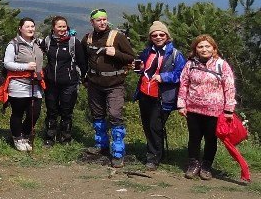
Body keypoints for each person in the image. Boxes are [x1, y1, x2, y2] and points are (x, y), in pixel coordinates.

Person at [82, 9, 137, 168]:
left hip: (115, 84)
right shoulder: (88, 38)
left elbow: (131, 58)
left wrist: (116, 53)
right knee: (97, 115)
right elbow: (83, 59)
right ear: (92, 22)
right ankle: (101, 145)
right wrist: (84, 78)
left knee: (115, 115)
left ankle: (118, 151)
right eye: (98, 20)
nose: (102, 22)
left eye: (105, 19)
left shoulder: (117, 37)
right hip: (94, 83)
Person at [177, 35, 236, 180]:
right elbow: (184, 84)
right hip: (193, 109)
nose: (204, 49)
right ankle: (193, 165)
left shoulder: (221, 65)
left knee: (211, 139)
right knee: (194, 138)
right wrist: (181, 104)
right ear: (195, 49)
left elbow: (229, 87)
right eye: (200, 46)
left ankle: (206, 166)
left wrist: (229, 109)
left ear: (214, 48)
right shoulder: (190, 64)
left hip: (214, 111)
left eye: (207, 46)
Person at [135, 21, 186, 170]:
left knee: (155, 126)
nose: (158, 37)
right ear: (150, 37)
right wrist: (138, 68)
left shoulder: (175, 54)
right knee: (147, 125)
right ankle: (156, 153)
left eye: (161, 34)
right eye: (154, 35)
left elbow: (181, 74)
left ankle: (153, 158)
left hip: (162, 96)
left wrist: (163, 77)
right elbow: (141, 70)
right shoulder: (146, 52)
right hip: (145, 93)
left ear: (167, 36)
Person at [0, 18, 46, 152]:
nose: (31, 29)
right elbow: (7, 63)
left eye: (32, 26)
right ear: (20, 28)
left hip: (35, 83)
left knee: (34, 113)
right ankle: (17, 138)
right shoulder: (13, 44)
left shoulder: (37, 43)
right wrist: (25, 66)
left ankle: (25, 135)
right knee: (18, 112)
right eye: (27, 26)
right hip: (18, 84)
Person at [41, 16, 86, 146]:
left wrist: (84, 78)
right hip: (51, 83)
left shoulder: (73, 42)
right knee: (51, 110)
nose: (62, 29)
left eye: (64, 26)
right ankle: (50, 137)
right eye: (59, 26)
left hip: (69, 83)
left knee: (66, 111)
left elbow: (82, 62)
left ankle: (65, 138)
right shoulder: (48, 41)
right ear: (53, 28)